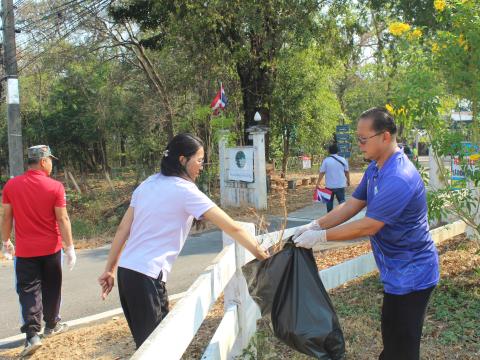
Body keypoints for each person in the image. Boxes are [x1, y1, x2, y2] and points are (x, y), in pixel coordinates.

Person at [98, 133, 269, 349]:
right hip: (146, 278)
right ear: (182, 160)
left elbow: (123, 229)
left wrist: (110, 269)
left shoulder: (147, 184)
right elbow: (232, 227)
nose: (202, 166)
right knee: (157, 349)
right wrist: (264, 257)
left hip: (127, 274)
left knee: (152, 346)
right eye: (199, 160)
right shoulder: (186, 191)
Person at [293, 108, 439, 360]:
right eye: (356, 139)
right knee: (393, 342)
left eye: (363, 139)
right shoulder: (376, 168)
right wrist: (316, 225)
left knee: (402, 349)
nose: (358, 145)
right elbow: (352, 204)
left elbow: (368, 225)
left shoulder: (399, 177)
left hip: (413, 274)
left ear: (384, 136)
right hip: (396, 271)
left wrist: (322, 238)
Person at [2, 145, 76, 357]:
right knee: (52, 288)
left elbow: (6, 217)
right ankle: (52, 324)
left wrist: (5, 241)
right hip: (51, 250)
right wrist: (70, 247)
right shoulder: (55, 187)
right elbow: (63, 219)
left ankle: (32, 335)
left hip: (25, 253)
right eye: (50, 160)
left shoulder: (11, 186)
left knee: (28, 292)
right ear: (43, 161)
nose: (52, 164)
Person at [316, 143, 350, 212]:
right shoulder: (343, 160)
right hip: (340, 185)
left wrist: (318, 183)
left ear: (329, 151)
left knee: (329, 204)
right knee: (342, 203)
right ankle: (342, 217)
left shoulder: (326, 160)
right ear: (338, 151)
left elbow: (322, 172)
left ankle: (329, 218)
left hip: (329, 186)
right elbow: (346, 171)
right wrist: (348, 180)